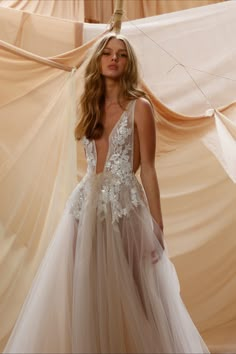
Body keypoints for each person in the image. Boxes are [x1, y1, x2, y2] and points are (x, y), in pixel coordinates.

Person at [4, 32, 210, 354]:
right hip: (83, 207)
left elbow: (149, 169)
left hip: (124, 206)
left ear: (128, 63)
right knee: (83, 291)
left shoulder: (140, 107)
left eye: (121, 54)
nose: (114, 58)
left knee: (137, 293)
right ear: (99, 61)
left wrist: (157, 225)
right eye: (107, 53)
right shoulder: (89, 107)